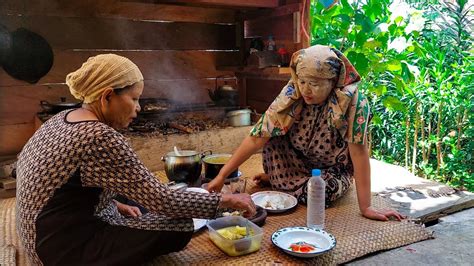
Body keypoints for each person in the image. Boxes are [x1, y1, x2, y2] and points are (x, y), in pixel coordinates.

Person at [16, 54, 256, 265]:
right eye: (134, 99)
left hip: (38, 233)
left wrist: (115, 204)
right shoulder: (99, 136)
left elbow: (65, 189)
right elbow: (162, 200)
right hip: (59, 251)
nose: (139, 107)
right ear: (107, 96)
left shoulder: (64, 118)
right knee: (177, 225)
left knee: (133, 192)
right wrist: (227, 200)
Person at [208, 45, 403, 222]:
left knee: (319, 193)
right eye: (302, 82)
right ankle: (284, 180)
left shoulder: (353, 103)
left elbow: (359, 154)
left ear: (333, 81)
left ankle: (284, 182)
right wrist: (222, 176)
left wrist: (366, 207)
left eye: (315, 84)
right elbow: (257, 136)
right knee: (271, 138)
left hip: (331, 170)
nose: (306, 90)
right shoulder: (292, 92)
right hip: (298, 159)